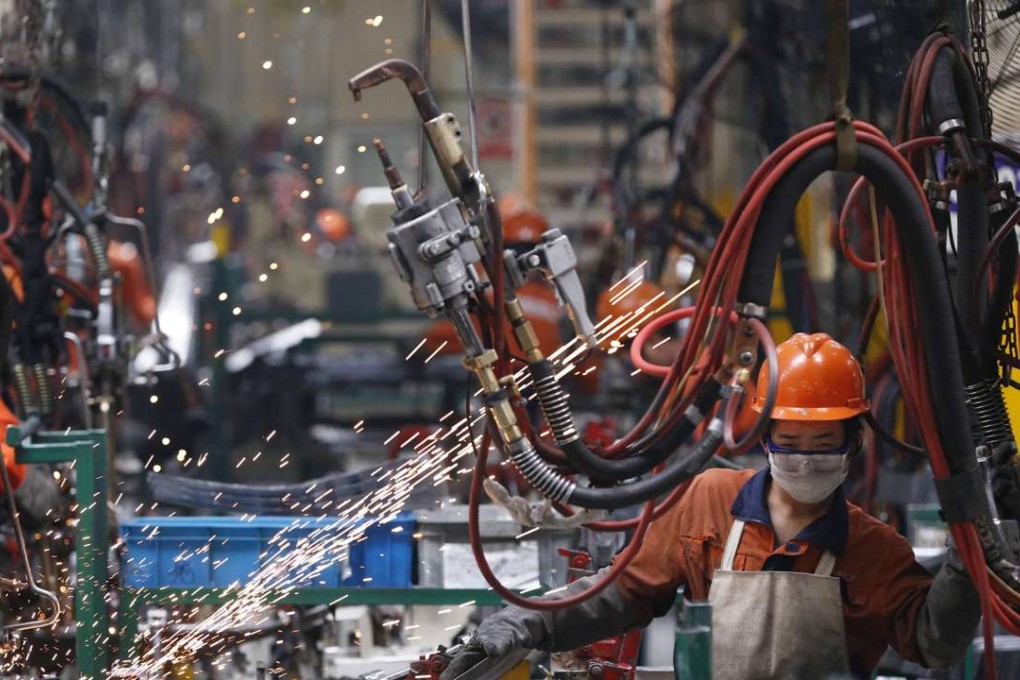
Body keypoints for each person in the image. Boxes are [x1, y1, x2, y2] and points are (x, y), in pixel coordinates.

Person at [441, 333, 980, 679]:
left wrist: (971, 550)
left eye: (823, 445)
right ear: (765, 436)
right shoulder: (708, 501)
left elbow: (935, 642)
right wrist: (526, 622)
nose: (806, 461)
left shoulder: (873, 549)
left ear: (853, 445)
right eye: (790, 442)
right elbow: (620, 592)